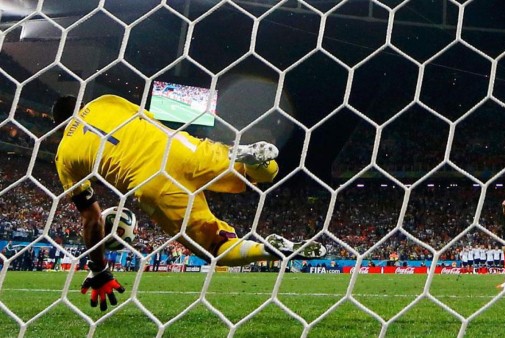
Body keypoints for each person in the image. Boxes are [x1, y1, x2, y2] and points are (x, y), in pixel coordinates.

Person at [52, 94, 326, 311]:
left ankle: (268, 248)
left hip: (152, 182)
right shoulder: (106, 101)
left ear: (57, 129)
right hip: (180, 148)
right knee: (269, 172)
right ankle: (247, 157)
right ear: (83, 104)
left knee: (217, 249)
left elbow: (91, 217)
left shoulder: (64, 155)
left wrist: (99, 269)